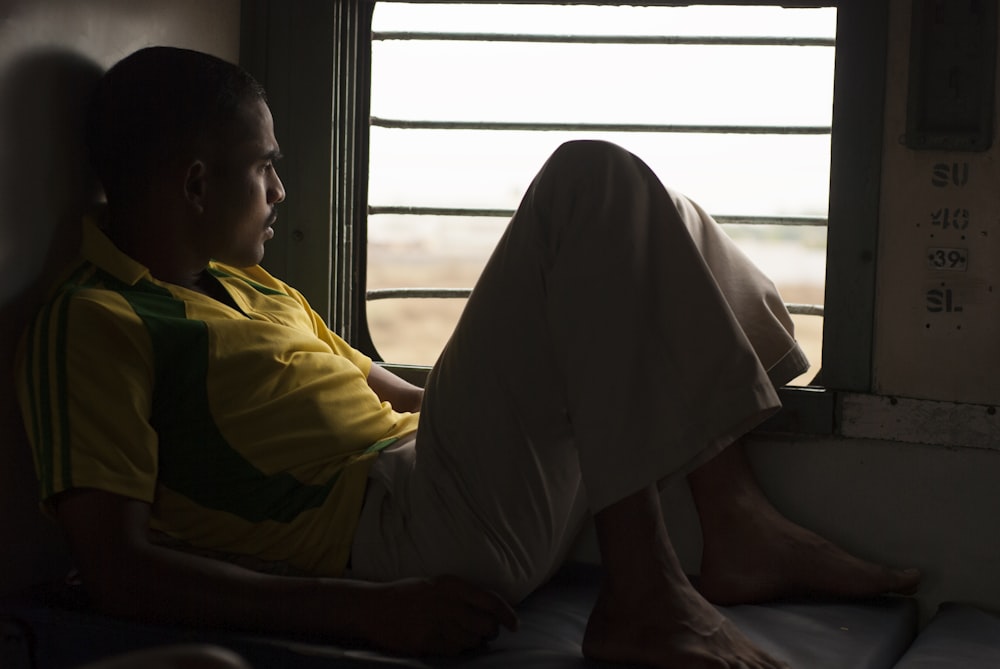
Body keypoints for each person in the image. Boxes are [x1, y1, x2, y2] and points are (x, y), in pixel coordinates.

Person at [15, 46, 920, 669]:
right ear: (198, 183)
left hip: (443, 481)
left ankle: (737, 522)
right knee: (587, 181)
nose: (281, 191)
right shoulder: (94, 320)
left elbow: (404, 397)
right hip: (393, 536)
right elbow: (118, 568)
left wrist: (569, 345)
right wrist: (370, 610)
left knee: (645, 212)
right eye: (267, 167)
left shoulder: (251, 291)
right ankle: (647, 597)